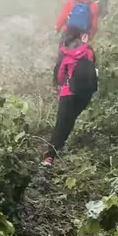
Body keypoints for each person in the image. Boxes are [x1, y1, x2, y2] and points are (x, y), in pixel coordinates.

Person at [43, 31, 98, 165]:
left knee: (61, 122)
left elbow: (61, 77)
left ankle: (50, 156)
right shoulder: (88, 51)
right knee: (71, 119)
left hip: (68, 92)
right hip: (85, 93)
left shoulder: (65, 55)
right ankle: (60, 146)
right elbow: (93, 67)